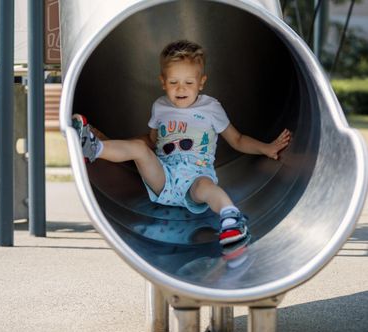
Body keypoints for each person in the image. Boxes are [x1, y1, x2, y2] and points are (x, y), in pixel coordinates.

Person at [72, 39, 291, 246]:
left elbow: (238, 140)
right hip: (164, 177)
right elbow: (151, 141)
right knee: (139, 149)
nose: (181, 89)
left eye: (188, 82)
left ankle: (231, 220)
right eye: (174, 82)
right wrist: (115, 142)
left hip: (197, 175)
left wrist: (267, 148)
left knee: (207, 187)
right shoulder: (160, 107)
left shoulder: (211, 108)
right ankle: (94, 147)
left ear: (201, 83)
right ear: (163, 82)